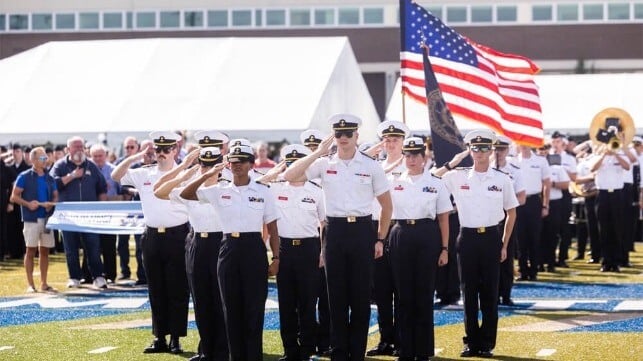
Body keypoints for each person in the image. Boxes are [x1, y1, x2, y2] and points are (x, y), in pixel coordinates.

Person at [283, 113, 393, 361]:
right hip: (334, 232)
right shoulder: (324, 164)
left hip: (362, 231)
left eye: (348, 133)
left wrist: (380, 239)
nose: (343, 138)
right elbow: (290, 176)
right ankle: (339, 352)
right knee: (336, 297)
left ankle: (357, 353)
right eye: (339, 134)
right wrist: (317, 152)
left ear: (357, 136)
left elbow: (387, 206)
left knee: (361, 297)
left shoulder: (370, 165)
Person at [181, 144, 280, 361]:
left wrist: (276, 258)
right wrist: (207, 174)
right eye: (233, 162)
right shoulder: (219, 191)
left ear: (251, 164)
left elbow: (272, 228)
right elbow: (186, 193)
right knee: (231, 311)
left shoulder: (263, 191)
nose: (236, 166)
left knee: (254, 311)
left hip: (254, 248)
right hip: (228, 250)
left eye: (242, 161)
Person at [435, 129, 518, 358]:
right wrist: (452, 163)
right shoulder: (458, 176)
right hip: (467, 238)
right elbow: (432, 178)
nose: (479, 153)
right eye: (475, 148)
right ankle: (471, 342)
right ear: (469, 150)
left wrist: (503, 244)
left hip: (491, 238)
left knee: (490, 293)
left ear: (491, 151)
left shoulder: (501, 179)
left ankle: (487, 343)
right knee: (469, 293)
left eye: (484, 148)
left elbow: (511, 212)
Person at [111, 131, 190, 354]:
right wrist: (136, 156)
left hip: (178, 235)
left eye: (166, 149)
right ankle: (160, 338)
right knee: (156, 288)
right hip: (152, 236)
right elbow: (116, 176)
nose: (162, 154)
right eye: (158, 149)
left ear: (176, 149)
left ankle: (176, 337)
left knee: (177, 288)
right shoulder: (144, 172)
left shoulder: (186, 172)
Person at [154, 144, 228, 361]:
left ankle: (223, 350)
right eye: (204, 166)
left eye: (211, 166)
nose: (207, 170)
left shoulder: (228, 188)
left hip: (220, 243)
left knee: (221, 299)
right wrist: (188, 171)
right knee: (201, 299)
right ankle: (206, 349)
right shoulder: (189, 189)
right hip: (197, 244)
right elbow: (159, 191)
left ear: (220, 167)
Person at [258, 144, 326, 361]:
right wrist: (274, 173)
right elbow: (257, 184)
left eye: (298, 163)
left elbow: (324, 223)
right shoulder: (275, 188)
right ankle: (290, 350)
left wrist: (323, 251)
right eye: (289, 163)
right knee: (286, 303)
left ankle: (307, 349)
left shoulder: (316, 190)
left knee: (307, 302)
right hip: (284, 249)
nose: (293, 168)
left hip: (309, 248)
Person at [388, 137, 451, 361]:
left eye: (416, 155)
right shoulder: (394, 181)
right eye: (408, 155)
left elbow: (443, 218)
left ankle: (423, 350)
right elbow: (384, 210)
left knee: (424, 294)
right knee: (403, 295)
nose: (411, 159)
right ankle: (404, 349)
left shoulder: (435, 182)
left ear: (424, 158)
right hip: (401, 234)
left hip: (427, 234)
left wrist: (444, 248)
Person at [366, 119, 409, 357]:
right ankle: (385, 339)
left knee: (400, 289)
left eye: (396, 140)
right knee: (381, 289)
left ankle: (401, 340)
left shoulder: (412, 166)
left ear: (403, 141)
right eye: (388, 140)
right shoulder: (375, 166)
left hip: (399, 229)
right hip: (376, 229)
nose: (391, 144)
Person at [50, 136, 108, 289]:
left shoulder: (91, 166)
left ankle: (98, 276)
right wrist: (72, 176)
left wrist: (102, 209)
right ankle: (74, 277)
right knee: (71, 248)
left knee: (93, 247)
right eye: (75, 147)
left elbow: (102, 188)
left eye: (81, 146)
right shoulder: (60, 165)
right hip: (68, 216)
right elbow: (52, 185)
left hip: (90, 215)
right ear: (68, 149)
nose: (79, 150)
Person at [299, 128, 331, 356]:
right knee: (306, 298)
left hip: (327, 242)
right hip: (307, 243)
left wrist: (323, 250)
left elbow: (326, 221)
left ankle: (326, 340)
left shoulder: (329, 170)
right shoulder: (301, 174)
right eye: (309, 149)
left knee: (327, 298)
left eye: (316, 148)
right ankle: (307, 339)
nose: (313, 152)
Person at [10, 147, 58, 293]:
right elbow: (14, 196)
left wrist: (52, 204)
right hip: (31, 219)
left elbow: (56, 196)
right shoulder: (24, 176)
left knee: (45, 251)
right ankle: (30, 285)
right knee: (30, 250)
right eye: (42, 158)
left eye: (46, 158)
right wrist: (28, 204)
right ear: (33, 159)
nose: (45, 161)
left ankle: (44, 283)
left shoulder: (50, 178)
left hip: (47, 219)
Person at [491, 136, 526, 306]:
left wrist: (508, 204)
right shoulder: (486, 169)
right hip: (489, 216)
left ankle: (506, 293)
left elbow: (522, 196)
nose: (499, 153)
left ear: (507, 150)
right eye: (496, 149)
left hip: (507, 215)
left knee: (507, 254)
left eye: (502, 149)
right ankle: (492, 293)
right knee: (490, 257)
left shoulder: (515, 169)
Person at [591, 140, 629, 273]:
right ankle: (606, 261)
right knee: (604, 230)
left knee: (617, 229)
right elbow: (593, 168)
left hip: (617, 195)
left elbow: (627, 167)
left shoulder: (620, 156)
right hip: (603, 194)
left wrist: (616, 154)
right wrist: (603, 155)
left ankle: (616, 261)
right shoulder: (598, 156)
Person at [514, 144, 550, 281]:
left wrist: (546, 205)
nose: (523, 146)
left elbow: (547, 183)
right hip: (517, 201)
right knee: (520, 237)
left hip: (534, 201)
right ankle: (523, 270)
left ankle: (534, 270)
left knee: (534, 237)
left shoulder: (540, 161)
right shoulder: (513, 161)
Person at [89, 143, 121, 283]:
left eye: (100, 155)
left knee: (109, 244)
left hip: (110, 212)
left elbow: (122, 190)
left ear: (106, 156)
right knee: (90, 244)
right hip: (92, 213)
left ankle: (110, 275)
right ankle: (90, 275)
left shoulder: (114, 171)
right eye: (95, 156)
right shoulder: (87, 170)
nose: (98, 159)